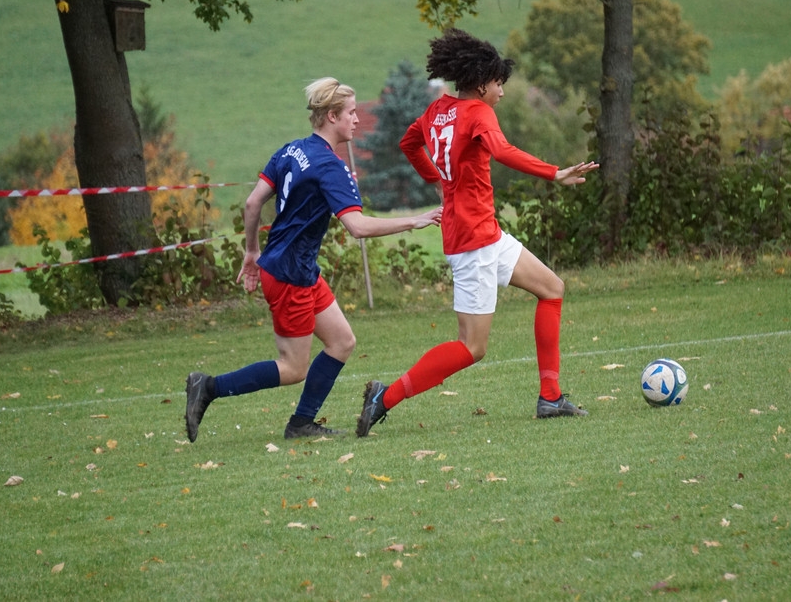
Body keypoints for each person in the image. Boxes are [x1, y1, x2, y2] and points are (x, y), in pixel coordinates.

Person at [356, 28, 599, 437]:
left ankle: (551, 397)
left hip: (484, 234)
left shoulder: (438, 110)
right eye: (499, 83)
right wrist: (554, 173)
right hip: (474, 242)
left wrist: (437, 179)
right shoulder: (479, 113)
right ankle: (385, 397)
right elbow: (501, 150)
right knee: (472, 347)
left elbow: (409, 143)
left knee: (551, 288)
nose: (502, 92)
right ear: (482, 83)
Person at [185, 77, 442, 442]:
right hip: (289, 274)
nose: (357, 119)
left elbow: (252, 203)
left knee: (342, 342)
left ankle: (301, 423)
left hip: (294, 268)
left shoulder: (293, 149)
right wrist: (414, 221)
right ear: (332, 116)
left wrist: (252, 251)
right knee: (293, 368)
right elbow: (357, 227)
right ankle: (209, 387)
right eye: (351, 113)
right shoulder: (330, 166)